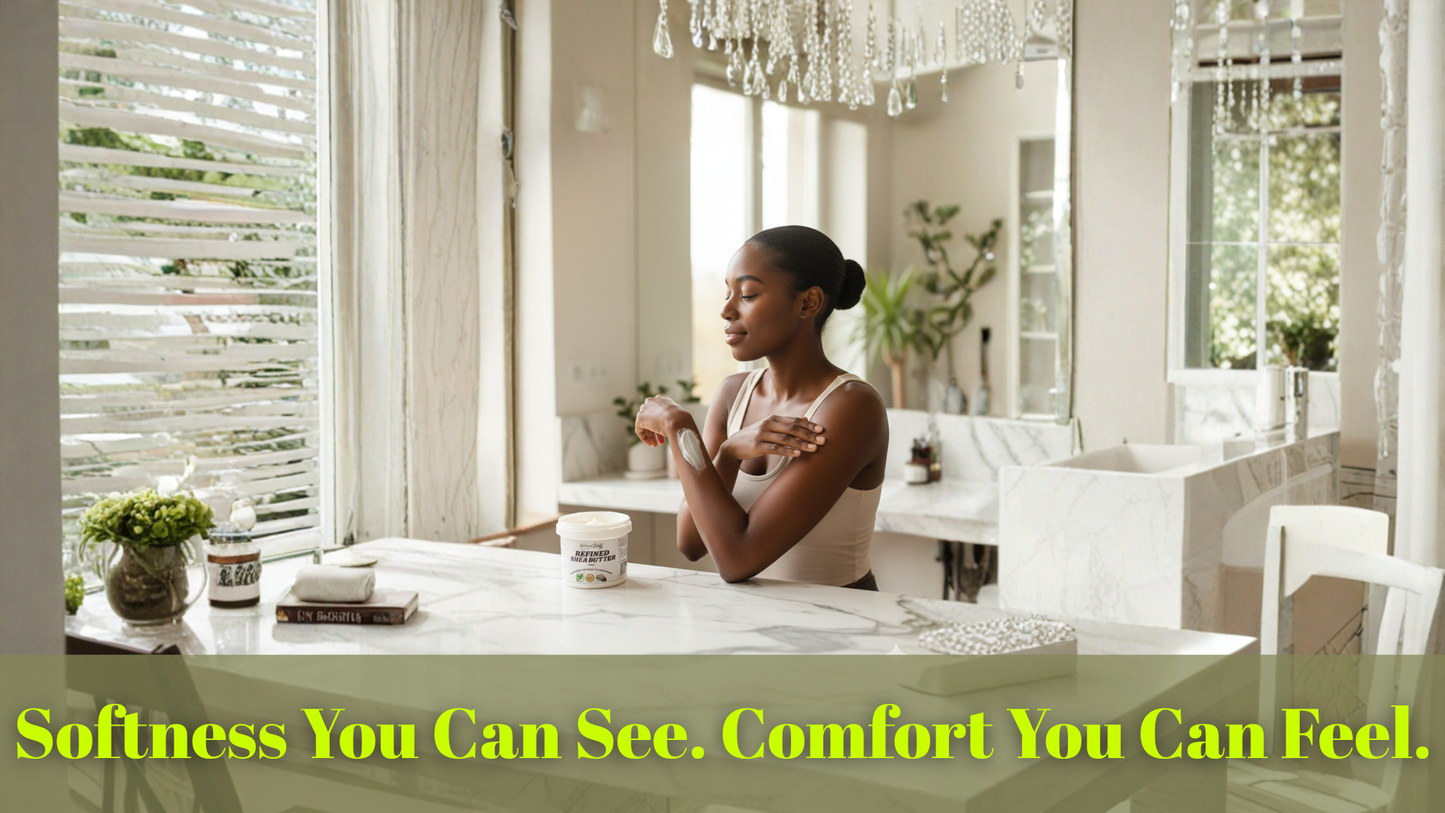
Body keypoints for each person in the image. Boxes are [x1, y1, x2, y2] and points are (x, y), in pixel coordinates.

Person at [633, 226, 888, 589]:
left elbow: (737, 560)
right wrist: (727, 454)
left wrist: (679, 425)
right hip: (754, 630)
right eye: (727, 293)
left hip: (839, 630)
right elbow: (690, 542)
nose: (726, 310)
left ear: (807, 303)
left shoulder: (851, 407)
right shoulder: (732, 393)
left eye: (748, 294)